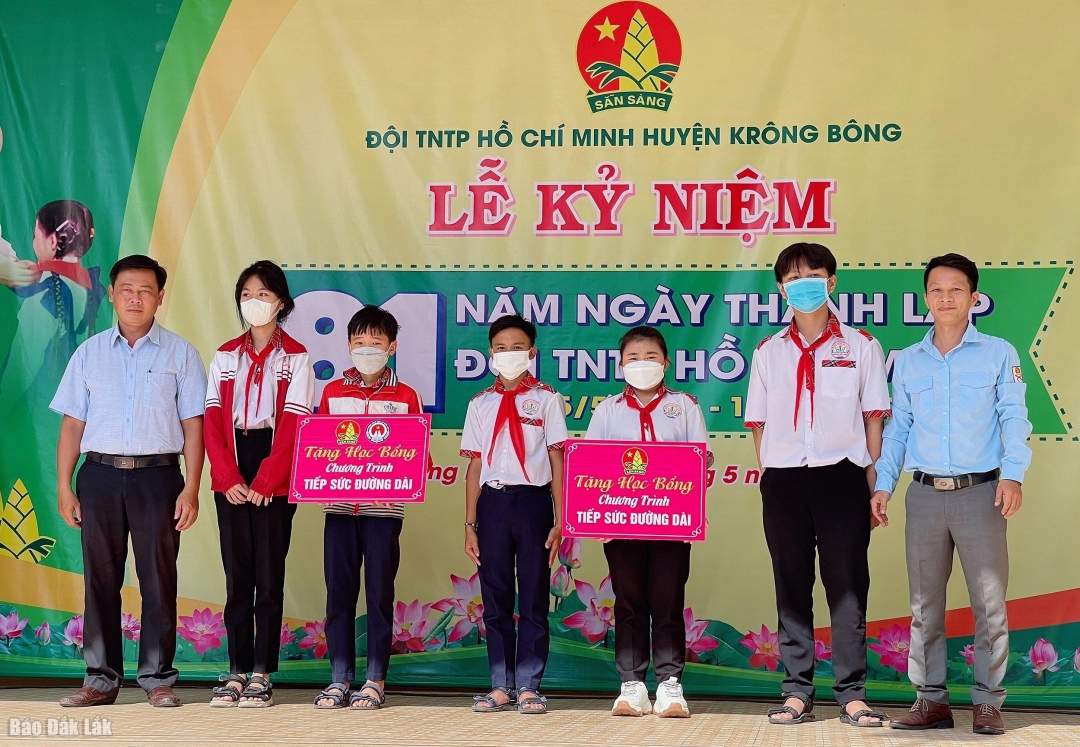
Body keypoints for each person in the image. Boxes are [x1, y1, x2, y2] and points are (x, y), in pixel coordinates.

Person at [872, 254, 1031, 737]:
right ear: (926, 298)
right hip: (923, 495)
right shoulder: (907, 360)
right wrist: (883, 484)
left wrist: (1013, 474)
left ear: (974, 298)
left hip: (981, 493)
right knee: (924, 606)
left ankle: (987, 702)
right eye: (937, 290)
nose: (946, 298)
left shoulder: (999, 353)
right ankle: (931, 701)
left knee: (989, 603)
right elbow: (897, 431)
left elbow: (1014, 418)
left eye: (956, 289)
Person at [744, 242, 891, 727]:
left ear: (831, 282)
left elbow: (873, 418)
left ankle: (851, 693)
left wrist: (872, 482)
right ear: (781, 289)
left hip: (843, 478)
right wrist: (771, 473)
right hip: (784, 480)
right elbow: (759, 423)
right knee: (791, 584)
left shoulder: (862, 345)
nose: (802, 284)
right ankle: (796, 691)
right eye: (792, 278)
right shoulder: (768, 352)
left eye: (812, 275)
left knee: (847, 586)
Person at [49, 254, 207, 708]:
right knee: (100, 580)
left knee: (159, 578)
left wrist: (191, 488)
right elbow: (72, 425)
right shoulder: (89, 353)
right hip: (98, 476)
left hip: (159, 478)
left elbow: (194, 427)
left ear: (160, 296)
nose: (135, 298)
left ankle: (157, 679)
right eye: (126, 290)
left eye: (145, 291)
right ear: (112, 295)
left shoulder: (181, 354)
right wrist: (64, 485)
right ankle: (100, 679)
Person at [585, 326, 713, 718]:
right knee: (628, 603)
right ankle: (632, 685)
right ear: (621, 365)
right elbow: (590, 465)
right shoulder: (607, 410)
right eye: (634, 358)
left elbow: (701, 463)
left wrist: (691, 506)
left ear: (666, 363)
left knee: (668, 603)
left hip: (671, 525)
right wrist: (597, 514)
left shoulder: (685, 406)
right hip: (620, 525)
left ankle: (670, 684)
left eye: (651, 357)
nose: (643, 364)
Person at [204, 261, 314, 708]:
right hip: (233, 461)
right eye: (247, 294)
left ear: (281, 302)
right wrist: (227, 476)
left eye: (264, 294)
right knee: (237, 577)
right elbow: (212, 421)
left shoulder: (297, 357)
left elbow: (295, 423)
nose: (254, 302)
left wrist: (269, 478)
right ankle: (235, 670)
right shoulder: (225, 355)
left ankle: (261, 673)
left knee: (269, 575)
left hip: (276, 466)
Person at [313, 305, 423, 711]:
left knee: (379, 594)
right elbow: (318, 449)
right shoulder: (332, 392)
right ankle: (339, 678)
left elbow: (418, 457)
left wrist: (396, 479)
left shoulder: (406, 395)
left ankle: (375, 679)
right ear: (347, 346)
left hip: (384, 513)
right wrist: (320, 479)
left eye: (375, 343)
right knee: (338, 594)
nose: (366, 349)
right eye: (359, 342)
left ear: (392, 347)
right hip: (339, 510)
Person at [459, 314, 568, 715]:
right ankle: (501, 684)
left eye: (517, 347)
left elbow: (556, 460)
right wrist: (470, 524)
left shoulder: (547, 399)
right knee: (496, 596)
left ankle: (528, 685)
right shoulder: (480, 403)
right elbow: (474, 466)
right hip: (493, 504)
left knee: (535, 594)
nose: (508, 354)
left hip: (533, 503)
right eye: (501, 348)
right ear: (490, 353)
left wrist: (561, 518)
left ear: (532, 353)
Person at [0, 201, 105, 412]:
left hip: (38, 409)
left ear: (52, 241)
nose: (33, 243)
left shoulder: (46, 294)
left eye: (34, 236)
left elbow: (21, 368)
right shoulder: (89, 287)